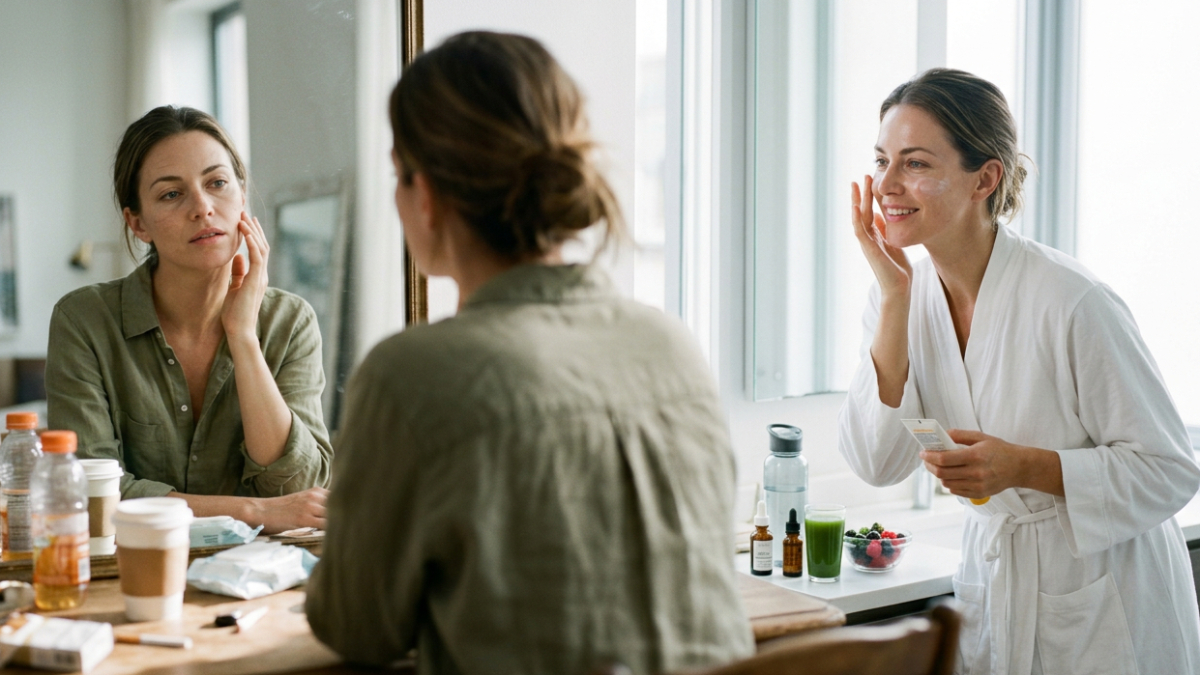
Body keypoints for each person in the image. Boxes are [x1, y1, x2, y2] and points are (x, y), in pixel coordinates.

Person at [305, 31, 754, 674]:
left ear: (423, 194)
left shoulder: (410, 376)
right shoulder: (670, 345)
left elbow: (358, 628)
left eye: (397, 172)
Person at [839, 68, 1200, 675]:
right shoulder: (898, 294)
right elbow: (876, 463)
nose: (887, 185)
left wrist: (1026, 466)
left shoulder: (1072, 300)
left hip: (1103, 600)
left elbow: (1170, 471)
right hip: (994, 582)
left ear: (985, 178)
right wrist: (896, 300)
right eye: (881, 161)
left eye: (916, 164)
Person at [45, 106, 331, 533]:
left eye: (217, 183)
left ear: (241, 194)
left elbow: (299, 486)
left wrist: (243, 337)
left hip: (263, 579)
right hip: (130, 572)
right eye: (171, 194)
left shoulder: (290, 321)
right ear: (137, 222)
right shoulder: (84, 321)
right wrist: (254, 513)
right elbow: (91, 492)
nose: (202, 207)